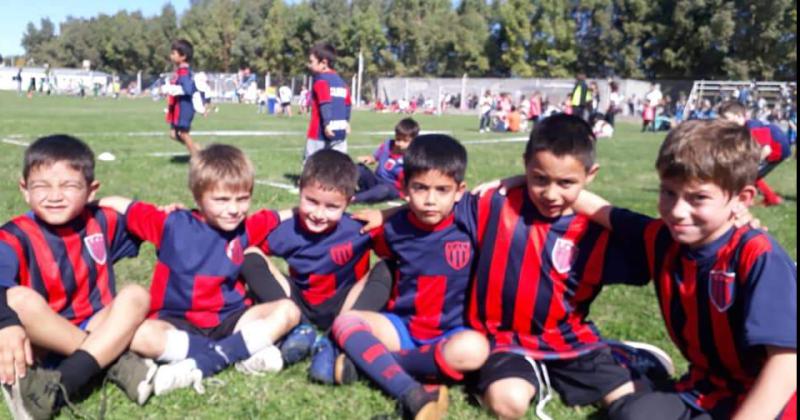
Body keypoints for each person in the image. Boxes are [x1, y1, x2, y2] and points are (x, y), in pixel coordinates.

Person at [573, 119, 797, 420]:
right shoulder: (662, 240)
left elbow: (786, 363)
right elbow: (603, 211)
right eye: (668, 192)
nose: (677, 211)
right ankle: (641, 364)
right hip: (705, 391)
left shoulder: (757, 255)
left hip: (774, 403)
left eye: (698, 197)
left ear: (742, 199)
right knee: (627, 415)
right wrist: (527, 181)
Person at [464, 114, 673, 420]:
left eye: (566, 183)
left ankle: (621, 354)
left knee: (630, 402)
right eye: (539, 179)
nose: (551, 194)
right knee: (507, 404)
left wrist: (590, 204)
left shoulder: (595, 230)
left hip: (569, 339)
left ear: (590, 175)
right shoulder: (496, 205)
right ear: (526, 166)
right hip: (503, 339)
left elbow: (664, 241)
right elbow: (434, 207)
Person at [99, 144, 299, 396]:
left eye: (243, 198)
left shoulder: (245, 227)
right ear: (197, 197)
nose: (234, 209)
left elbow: (281, 216)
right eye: (221, 200)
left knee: (288, 311)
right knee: (141, 337)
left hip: (231, 318)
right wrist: (89, 202)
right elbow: (123, 205)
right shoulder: (171, 223)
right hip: (178, 321)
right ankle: (241, 350)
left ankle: (209, 359)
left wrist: (318, 209)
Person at [333, 135, 490, 420]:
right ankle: (413, 389)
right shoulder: (394, 229)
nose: (430, 200)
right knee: (346, 322)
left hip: (451, 334)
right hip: (402, 329)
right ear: (404, 188)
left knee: (476, 350)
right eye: (420, 188)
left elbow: (514, 190)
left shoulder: (471, 221)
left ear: (459, 191)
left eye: (442, 190)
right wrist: (384, 214)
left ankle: (377, 364)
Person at [0, 135, 157, 419]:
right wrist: (5, 325)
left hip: (96, 323)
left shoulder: (102, 221)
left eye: (70, 186)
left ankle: (58, 386)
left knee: (137, 295)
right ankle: (113, 363)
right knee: (17, 300)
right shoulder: (13, 235)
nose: (55, 196)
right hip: (43, 339)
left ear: (91, 190)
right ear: (24, 190)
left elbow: (156, 224)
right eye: (41, 186)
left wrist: (174, 215)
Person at [237, 149, 393, 383]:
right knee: (249, 254)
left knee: (389, 266)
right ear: (300, 189)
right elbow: (237, 241)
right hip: (299, 305)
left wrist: (386, 215)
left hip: (346, 305)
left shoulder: (360, 228)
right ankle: (298, 329)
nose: (319, 214)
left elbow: (409, 242)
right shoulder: (286, 232)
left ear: (349, 202)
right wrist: (283, 214)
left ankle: (338, 337)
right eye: (311, 201)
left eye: (332, 207)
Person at [719, 100, 792, 206]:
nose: (724, 123)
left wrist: (752, 165)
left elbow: (766, 150)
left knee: (748, 175)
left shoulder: (753, 127)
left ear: (739, 116)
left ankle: (753, 200)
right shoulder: (744, 127)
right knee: (752, 175)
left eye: (727, 119)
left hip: (777, 150)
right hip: (773, 149)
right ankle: (771, 199)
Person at [353, 118, 419, 204]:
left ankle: (354, 198)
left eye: (405, 141)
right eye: (398, 139)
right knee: (359, 168)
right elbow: (375, 157)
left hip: (392, 187)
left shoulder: (412, 157)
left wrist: (408, 194)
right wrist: (370, 159)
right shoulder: (387, 145)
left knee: (383, 189)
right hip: (376, 180)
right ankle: (343, 189)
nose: (399, 144)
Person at [305, 42, 351, 162]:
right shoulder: (342, 82)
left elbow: (325, 103)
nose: (309, 65)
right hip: (340, 130)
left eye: (312, 61)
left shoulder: (321, 80)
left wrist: (326, 124)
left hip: (319, 132)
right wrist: (346, 122)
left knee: (312, 165)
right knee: (338, 165)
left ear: (324, 63)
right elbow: (347, 104)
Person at [162, 39, 200, 156]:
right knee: (173, 134)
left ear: (183, 56)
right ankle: (197, 149)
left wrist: (172, 89)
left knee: (183, 134)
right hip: (177, 107)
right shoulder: (179, 71)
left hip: (184, 107)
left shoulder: (184, 72)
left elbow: (188, 89)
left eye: (174, 53)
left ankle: (197, 158)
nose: (171, 56)